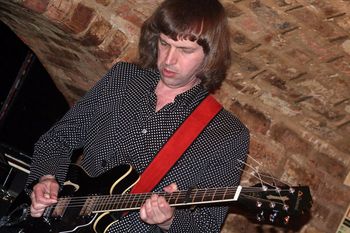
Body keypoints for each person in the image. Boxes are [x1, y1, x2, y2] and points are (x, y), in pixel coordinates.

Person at [26, 0, 250, 232]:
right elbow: (57, 140)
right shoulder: (123, 79)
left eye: (185, 50)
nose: (169, 60)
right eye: (165, 43)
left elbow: (207, 226)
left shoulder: (227, 134)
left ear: (210, 55)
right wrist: (46, 178)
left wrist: (169, 221)